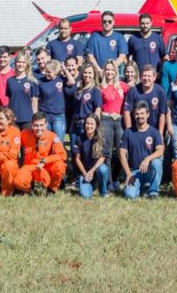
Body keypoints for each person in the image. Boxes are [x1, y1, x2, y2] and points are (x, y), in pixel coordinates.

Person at [14, 112, 68, 195]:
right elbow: (14, 142)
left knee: (60, 166)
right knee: (19, 182)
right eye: (36, 125)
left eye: (41, 125)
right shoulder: (24, 134)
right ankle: (28, 189)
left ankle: (51, 189)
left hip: (45, 166)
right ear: (32, 125)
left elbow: (62, 155)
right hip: (30, 166)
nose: (39, 128)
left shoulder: (52, 136)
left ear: (46, 124)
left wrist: (44, 160)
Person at [119, 102, 165, 199]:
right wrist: (128, 173)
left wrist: (147, 159)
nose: (139, 116)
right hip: (135, 172)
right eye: (137, 114)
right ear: (133, 115)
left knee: (157, 162)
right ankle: (141, 188)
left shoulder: (154, 132)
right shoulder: (128, 132)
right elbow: (122, 154)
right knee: (129, 196)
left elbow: (160, 151)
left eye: (142, 113)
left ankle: (153, 192)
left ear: (148, 114)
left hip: (149, 171)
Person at [99, 60, 128, 189]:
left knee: (121, 151)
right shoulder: (101, 87)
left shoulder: (122, 85)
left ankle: (118, 178)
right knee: (108, 153)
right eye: (107, 70)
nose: (110, 72)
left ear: (116, 72)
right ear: (104, 72)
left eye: (112, 70)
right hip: (106, 120)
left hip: (119, 121)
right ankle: (109, 182)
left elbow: (133, 94)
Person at [123, 65, 168, 139]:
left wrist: (160, 135)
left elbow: (162, 114)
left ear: (154, 77)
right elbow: (126, 112)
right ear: (140, 77)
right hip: (136, 131)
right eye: (144, 76)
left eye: (149, 76)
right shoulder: (133, 91)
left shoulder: (160, 92)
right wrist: (129, 132)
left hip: (154, 131)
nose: (146, 78)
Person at [69, 64, 103, 163]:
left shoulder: (95, 91)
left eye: (90, 73)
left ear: (94, 75)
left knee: (84, 152)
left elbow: (98, 109)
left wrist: (94, 125)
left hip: (86, 124)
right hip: (74, 123)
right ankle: (76, 176)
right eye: (85, 72)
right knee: (74, 150)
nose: (87, 75)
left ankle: (87, 176)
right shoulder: (78, 89)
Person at [73, 114, 110, 199]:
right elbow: (77, 159)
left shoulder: (101, 138)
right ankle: (90, 186)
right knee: (85, 196)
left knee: (103, 169)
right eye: (87, 123)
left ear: (96, 125)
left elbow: (102, 157)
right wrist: (85, 174)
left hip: (96, 170)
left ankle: (103, 192)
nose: (89, 126)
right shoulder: (79, 138)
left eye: (92, 124)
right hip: (85, 171)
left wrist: (92, 171)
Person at [6, 52, 39, 129]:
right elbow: (9, 101)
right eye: (19, 62)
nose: (21, 64)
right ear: (15, 63)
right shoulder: (10, 81)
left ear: (27, 64)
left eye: (23, 62)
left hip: (28, 120)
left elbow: (34, 103)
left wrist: (36, 119)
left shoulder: (32, 81)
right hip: (13, 120)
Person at [37, 60, 67, 143]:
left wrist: (64, 69)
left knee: (59, 142)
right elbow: (37, 98)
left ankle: (59, 156)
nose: (47, 74)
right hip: (45, 115)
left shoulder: (61, 80)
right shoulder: (40, 81)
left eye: (49, 72)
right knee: (45, 142)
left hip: (58, 116)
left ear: (55, 71)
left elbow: (72, 82)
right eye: (46, 71)